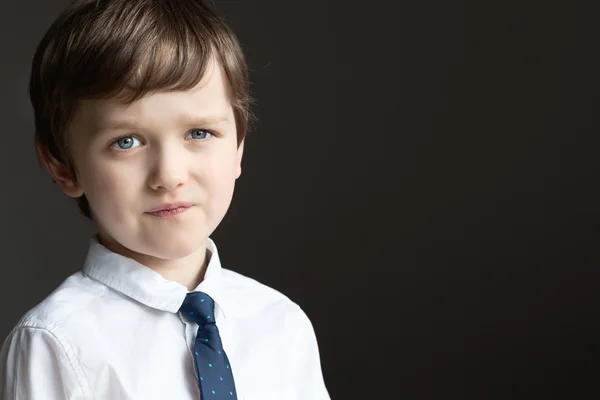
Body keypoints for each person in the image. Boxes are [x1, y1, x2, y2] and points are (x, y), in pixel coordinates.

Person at [0, 0, 330, 399]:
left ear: (238, 147)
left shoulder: (281, 323)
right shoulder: (57, 341)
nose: (169, 176)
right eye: (127, 142)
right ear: (62, 167)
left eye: (199, 133)